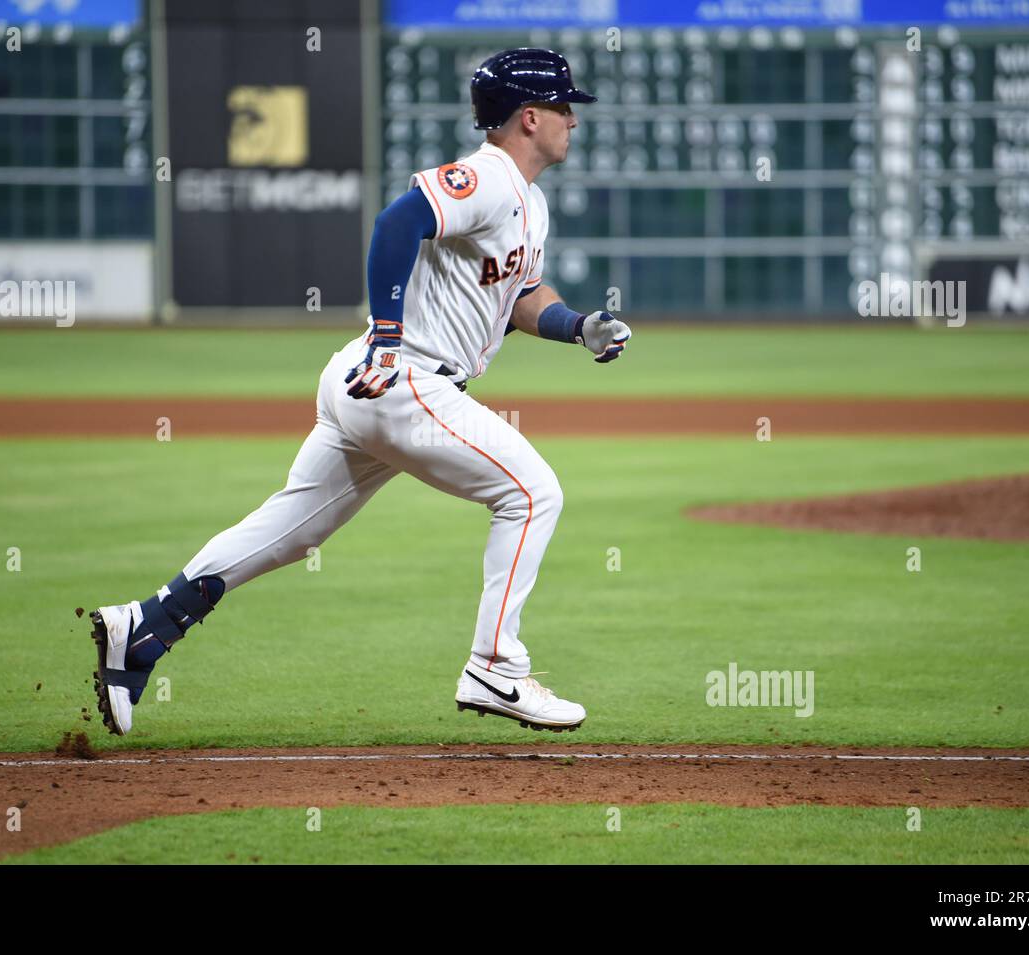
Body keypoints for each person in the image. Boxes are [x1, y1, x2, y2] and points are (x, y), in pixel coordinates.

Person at [88, 48, 631, 736]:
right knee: (531, 492)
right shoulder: (488, 179)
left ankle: (143, 626)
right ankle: (496, 664)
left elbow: (522, 297)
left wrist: (578, 326)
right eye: (562, 108)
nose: (571, 121)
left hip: (376, 386)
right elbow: (397, 223)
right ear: (529, 118)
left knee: (293, 530)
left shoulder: (530, 202)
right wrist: (385, 331)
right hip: (403, 377)